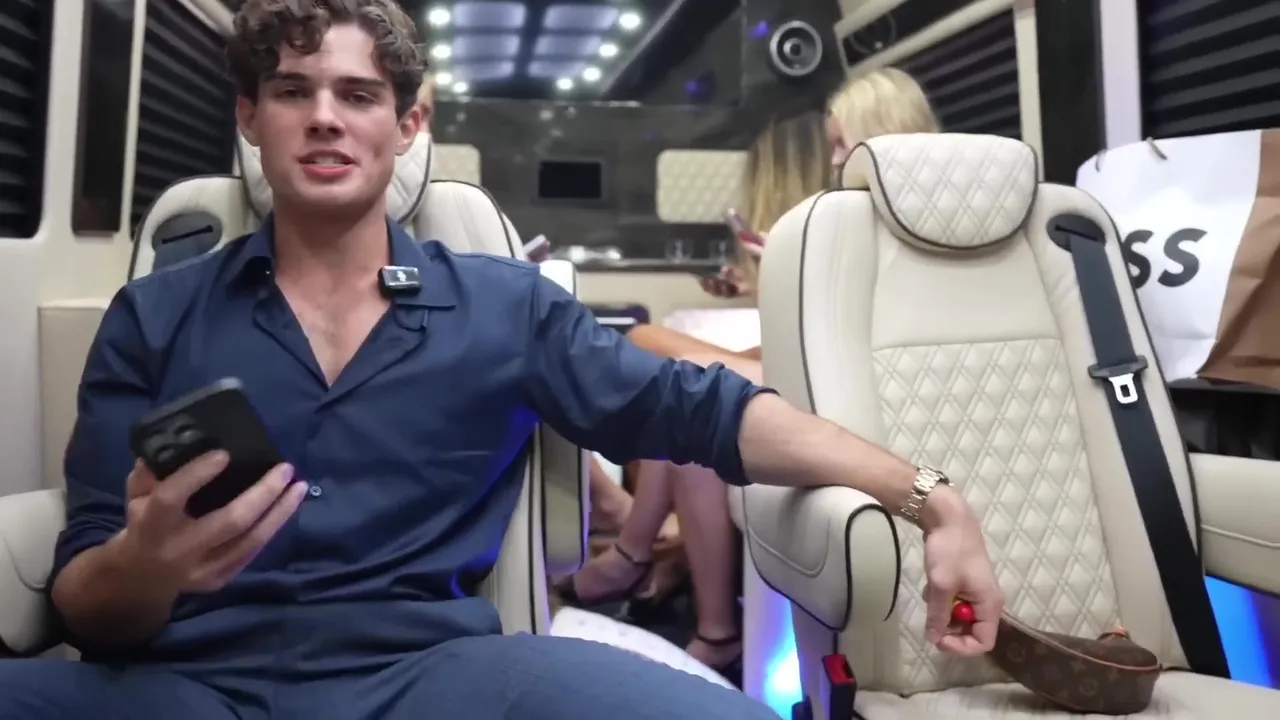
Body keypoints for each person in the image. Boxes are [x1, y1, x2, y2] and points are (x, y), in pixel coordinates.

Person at [0, 5, 999, 717]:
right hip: (183, 683)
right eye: (292, 91)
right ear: (250, 118)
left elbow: (709, 411)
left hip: (432, 680)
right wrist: (144, 566)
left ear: (408, 125)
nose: (324, 116)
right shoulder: (157, 312)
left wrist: (929, 498)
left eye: (357, 94)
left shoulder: (499, 307)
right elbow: (88, 602)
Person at [565, 70, 945, 681]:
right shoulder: (858, 219)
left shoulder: (891, 227)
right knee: (686, 395)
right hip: (831, 369)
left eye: (843, 144)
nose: (835, 160)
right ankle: (668, 577)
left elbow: (844, 334)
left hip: (849, 384)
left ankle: (646, 560)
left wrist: (781, 279)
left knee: (668, 368)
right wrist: (769, 278)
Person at [558, 112, 830, 682]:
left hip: (821, 380)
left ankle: (638, 551)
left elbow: (814, 333)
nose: (840, 156)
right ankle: (648, 556)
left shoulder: (843, 227)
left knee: (657, 353)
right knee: (679, 382)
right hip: (809, 364)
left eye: (844, 143)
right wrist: (755, 283)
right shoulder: (832, 229)